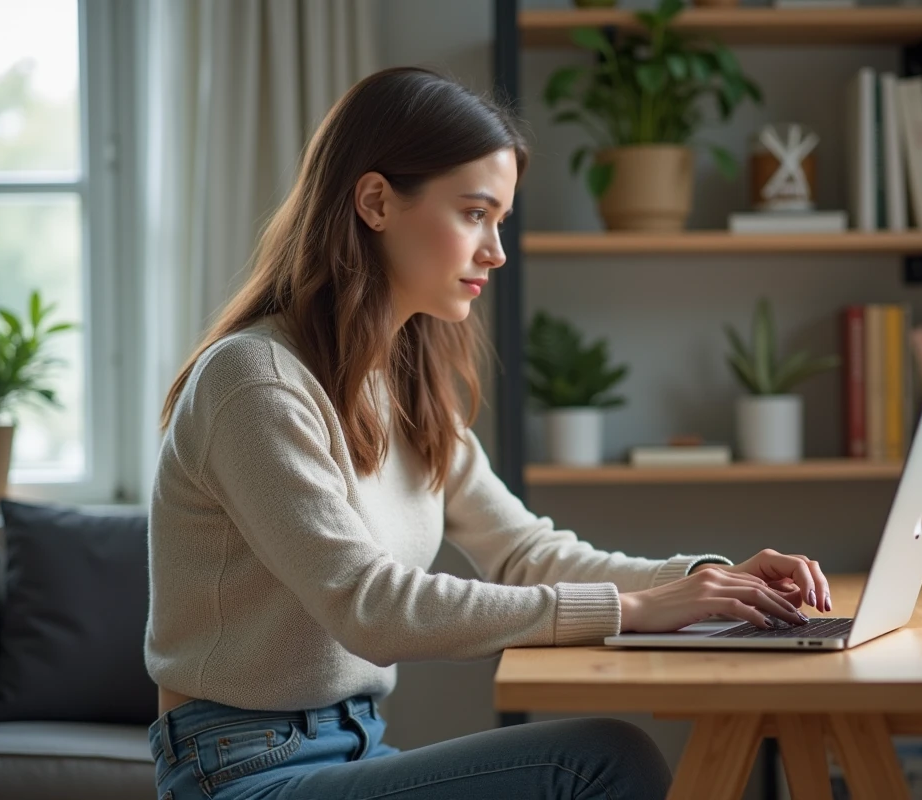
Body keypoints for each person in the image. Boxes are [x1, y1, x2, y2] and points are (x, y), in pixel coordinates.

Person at [144, 66, 831, 800]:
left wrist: (701, 582)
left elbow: (526, 552)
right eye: (475, 213)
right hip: (241, 771)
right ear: (375, 201)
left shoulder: (402, 384)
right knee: (600, 760)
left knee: (605, 755)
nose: (496, 250)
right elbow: (368, 606)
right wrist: (631, 611)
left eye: (499, 219)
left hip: (357, 745)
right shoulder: (256, 382)